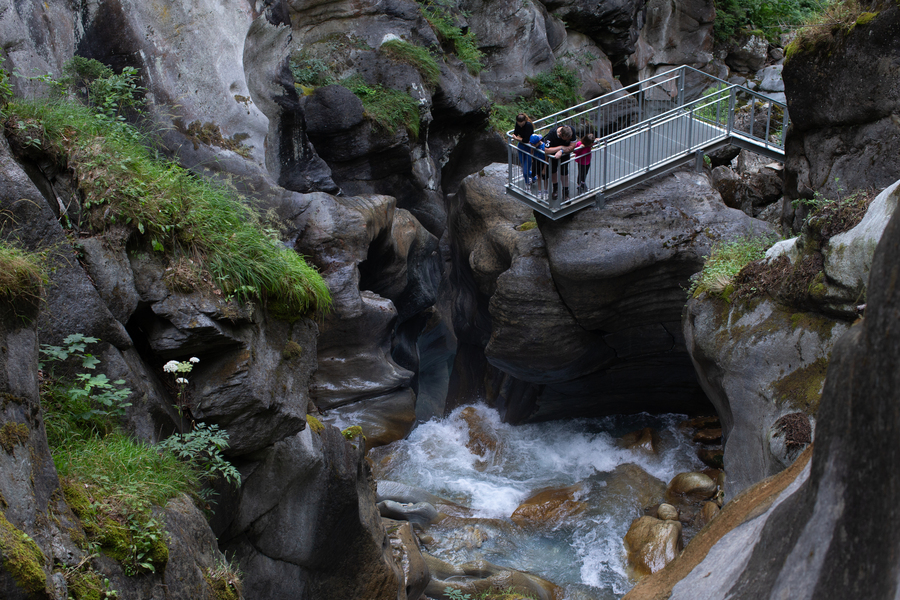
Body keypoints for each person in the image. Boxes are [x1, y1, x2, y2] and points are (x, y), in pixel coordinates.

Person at [543, 125, 577, 201]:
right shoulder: (552, 133)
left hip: (564, 154)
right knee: (553, 170)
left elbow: (572, 147)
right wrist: (560, 147)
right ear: (561, 135)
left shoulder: (571, 130)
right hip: (553, 155)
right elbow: (546, 150)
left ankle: (565, 192)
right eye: (567, 139)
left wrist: (562, 151)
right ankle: (555, 189)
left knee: (564, 171)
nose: (569, 140)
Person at [512, 113, 535, 184]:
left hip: (528, 147)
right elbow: (515, 133)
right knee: (523, 166)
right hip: (521, 147)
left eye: (522, 124)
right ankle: (531, 178)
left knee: (525, 171)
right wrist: (516, 137)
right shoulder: (518, 124)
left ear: (525, 121)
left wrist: (518, 138)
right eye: (519, 124)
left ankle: (530, 180)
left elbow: (526, 139)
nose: (520, 125)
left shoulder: (528, 125)